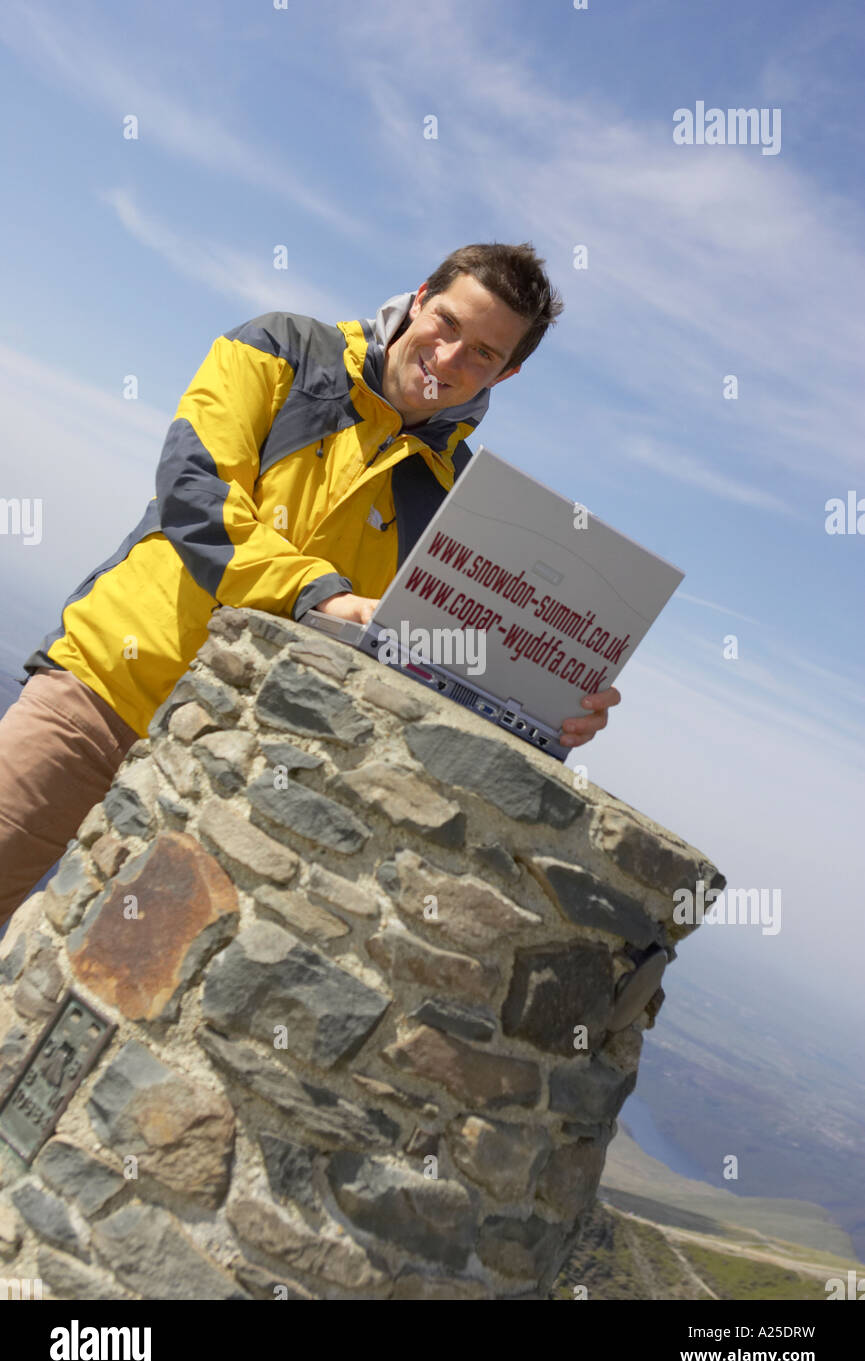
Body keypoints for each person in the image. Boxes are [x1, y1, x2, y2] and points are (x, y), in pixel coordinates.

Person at [0, 241, 621, 926]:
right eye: (446, 322)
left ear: (506, 375)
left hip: (239, 774)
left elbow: (422, 659)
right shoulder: (283, 348)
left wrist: (541, 706)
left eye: (483, 353)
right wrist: (319, 596)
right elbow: (196, 492)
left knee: (115, 995)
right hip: (102, 695)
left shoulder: (459, 500)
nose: (448, 358)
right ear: (418, 298)